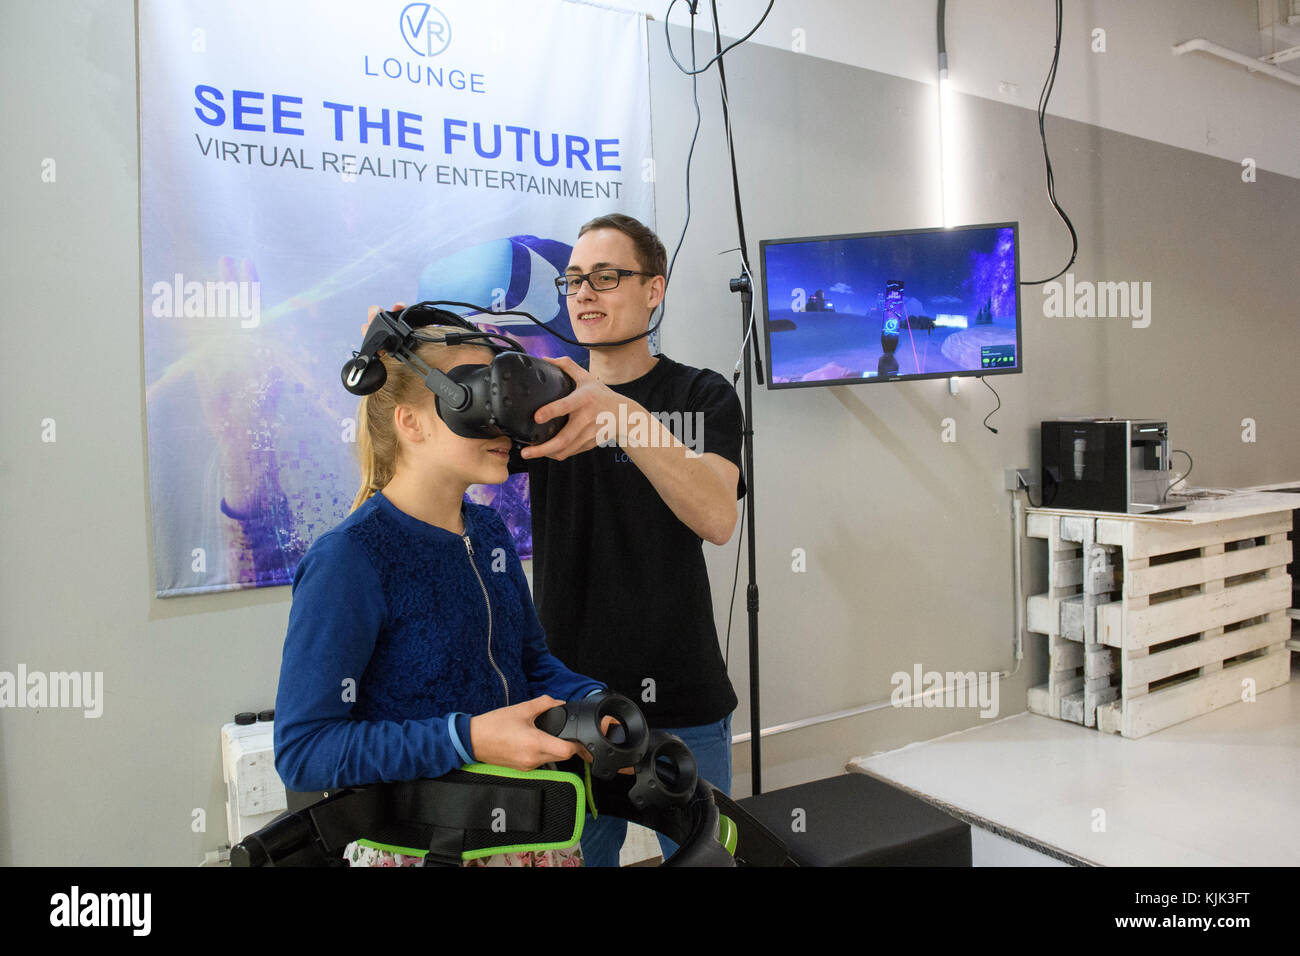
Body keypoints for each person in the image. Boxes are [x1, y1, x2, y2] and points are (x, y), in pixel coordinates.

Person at [273, 326, 609, 867]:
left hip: (529, 841)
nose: (504, 425)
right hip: (428, 852)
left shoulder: (489, 532)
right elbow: (305, 751)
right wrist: (468, 738)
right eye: (479, 398)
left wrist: (596, 704)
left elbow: (529, 664)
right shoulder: (350, 559)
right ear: (411, 423)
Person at [513, 213, 746, 866]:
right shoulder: (541, 400)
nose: (584, 292)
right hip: (569, 698)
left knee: (707, 856)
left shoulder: (701, 395)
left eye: (607, 277)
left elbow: (717, 516)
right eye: (575, 279)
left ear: (654, 289)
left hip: (684, 696)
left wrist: (620, 413)